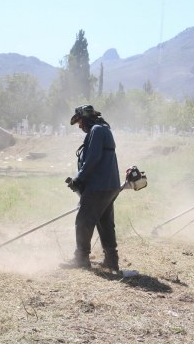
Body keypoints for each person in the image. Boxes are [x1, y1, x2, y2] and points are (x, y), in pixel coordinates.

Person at [62, 105, 121, 271]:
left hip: (98, 186)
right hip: (109, 185)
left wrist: (79, 179)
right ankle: (111, 260)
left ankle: (81, 258)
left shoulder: (96, 130)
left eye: (80, 121)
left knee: (83, 221)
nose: (80, 126)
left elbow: (93, 158)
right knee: (105, 222)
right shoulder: (103, 130)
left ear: (86, 118)